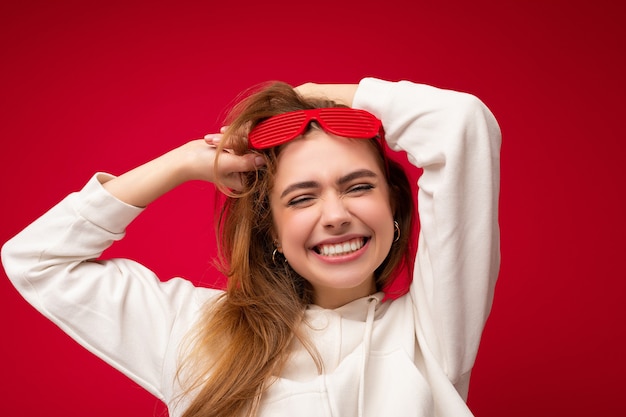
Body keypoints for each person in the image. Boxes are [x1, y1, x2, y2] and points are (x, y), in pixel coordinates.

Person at [1, 77, 501, 417]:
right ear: (271, 229)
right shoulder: (196, 332)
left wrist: (320, 96)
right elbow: (37, 260)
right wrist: (180, 164)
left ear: (392, 205)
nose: (336, 215)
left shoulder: (432, 331)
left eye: (358, 186)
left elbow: (461, 125)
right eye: (302, 197)